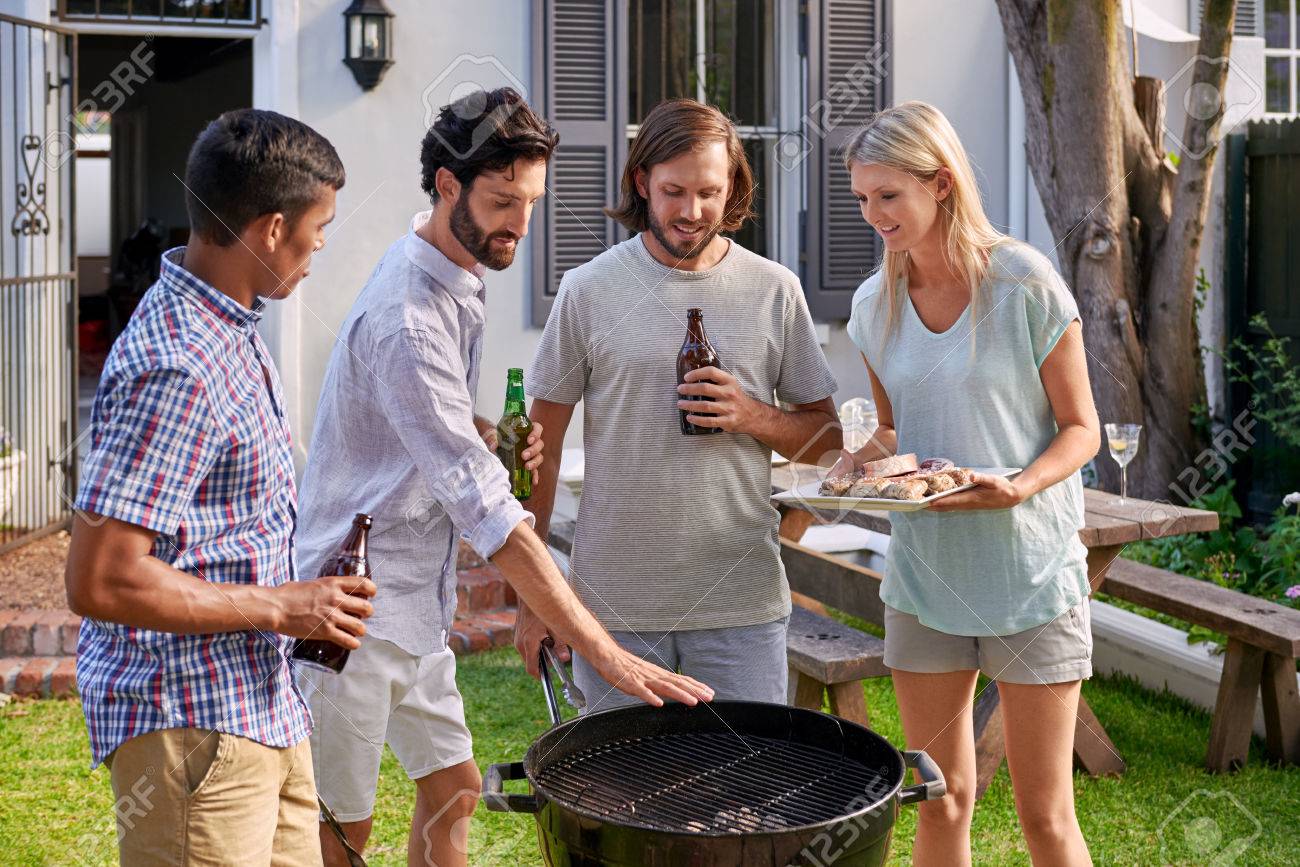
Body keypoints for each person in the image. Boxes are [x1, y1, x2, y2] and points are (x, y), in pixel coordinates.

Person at [293, 88, 713, 867]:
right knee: (338, 830)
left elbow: (423, 422)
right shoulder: (408, 315)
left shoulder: (453, 263)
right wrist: (606, 650)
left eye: (530, 202)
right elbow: (484, 506)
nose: (520, 223)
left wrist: (481, 433)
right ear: (448, 186)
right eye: (501, 202)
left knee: (453, 787)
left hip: (414, 601)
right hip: (349, 609)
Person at [64, 109, 369, 866]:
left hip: (260, 703)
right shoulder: (178, 362)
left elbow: (213, 531)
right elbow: (99, 579)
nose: (321, 246)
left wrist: (299, 596)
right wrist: (282, 604)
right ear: (271, 229)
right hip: (190, 723)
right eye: (318, 226)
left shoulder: (231, 327)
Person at [833, 101, 1099, 866]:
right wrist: (855, 460)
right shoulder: (871, 304)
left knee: (1045, 816)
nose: (873, 213)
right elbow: (893, 432)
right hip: (927, 578)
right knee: (939, 795)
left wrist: (1019, 485)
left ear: (941, 183)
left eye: (890, 195)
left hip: (1030, 575)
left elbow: (1081, 426)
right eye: (861, 197)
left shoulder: (1024, 282)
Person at [519, 98, 843, 712]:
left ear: (733, 189)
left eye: (709, 193)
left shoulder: (775, 290)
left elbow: (828, 441)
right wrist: (538, 601)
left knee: (743, 800)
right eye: (673, 191)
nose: (692, 213)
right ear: (642, 183)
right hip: (613, 607)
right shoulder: (587, 290)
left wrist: (753, 415)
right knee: (620, 799)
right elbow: (542, 447)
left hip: (739, 603)